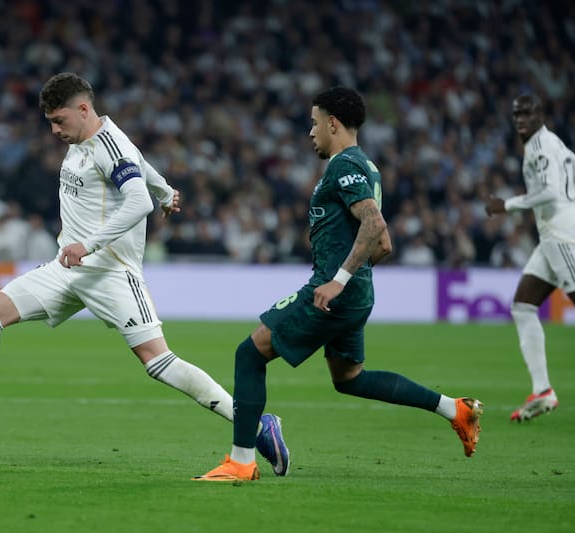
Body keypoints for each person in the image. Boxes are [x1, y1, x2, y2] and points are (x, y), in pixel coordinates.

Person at [0, 72, 287, 473]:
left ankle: (255, 423)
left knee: (158, 363)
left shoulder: (109, 146)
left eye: (60, 121)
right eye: (50, 123)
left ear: (83, 109)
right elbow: (141, 168)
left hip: (111, 273)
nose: (55, 130)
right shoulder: (86, 141)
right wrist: (165, 190)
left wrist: (93, 241)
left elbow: (136, 201)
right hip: (67, 269)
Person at [193, 87, 483, 482]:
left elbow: (375, 225)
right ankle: (455, 409)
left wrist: (339, 280)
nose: (310, 132)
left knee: (249, 354)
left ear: (332, 123)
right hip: (354, 293)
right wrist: (356, 279)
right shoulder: (369, 167)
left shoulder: (343, 164)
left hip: (334, 292)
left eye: (314, 123)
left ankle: (242, 462)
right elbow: (383, 245)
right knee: (350, 378)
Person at [485, 94, 575, 422]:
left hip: (564, 237)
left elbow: (551, 191)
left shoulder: (540, 146)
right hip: (551, 238)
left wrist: (505, 205)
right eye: (516, 113)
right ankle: (543, 391)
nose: (521, 119)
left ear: (541, 115)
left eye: (527, 113)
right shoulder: (554, 144)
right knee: (522, 306)